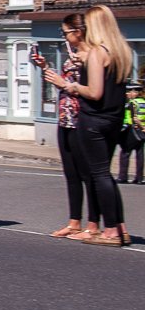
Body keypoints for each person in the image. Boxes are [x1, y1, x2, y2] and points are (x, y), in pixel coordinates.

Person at [46, 5, 132, 246]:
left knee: (99, 175)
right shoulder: (121, 52)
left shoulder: (97, 52)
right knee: (107, 175)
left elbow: (94, 92)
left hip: (94, 119)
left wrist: (71, 86)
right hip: (114, 119)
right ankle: (121, 227)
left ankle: (111, 231)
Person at [33, 13, 100, 239]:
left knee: (88, 174)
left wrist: (67, 84)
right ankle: (74, 222)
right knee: (71, 173)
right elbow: (62, 84)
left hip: (83, 119)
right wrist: (45, 68)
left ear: (78, 32)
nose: (64, 37)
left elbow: (91, 88)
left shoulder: (92, 56)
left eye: (66, 32)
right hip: (65, 118)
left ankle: (93, 225)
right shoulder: (72, 57)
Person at [118, 81, 145, 184]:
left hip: (131, 130)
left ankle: (123, 176)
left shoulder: (131, 104)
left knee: (125, 153)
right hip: (141, 132)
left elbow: (130, 119)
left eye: (129, 91)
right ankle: (139, 178)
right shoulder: (143, 102)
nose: (127, 93)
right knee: (140, 155)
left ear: (135, 92)